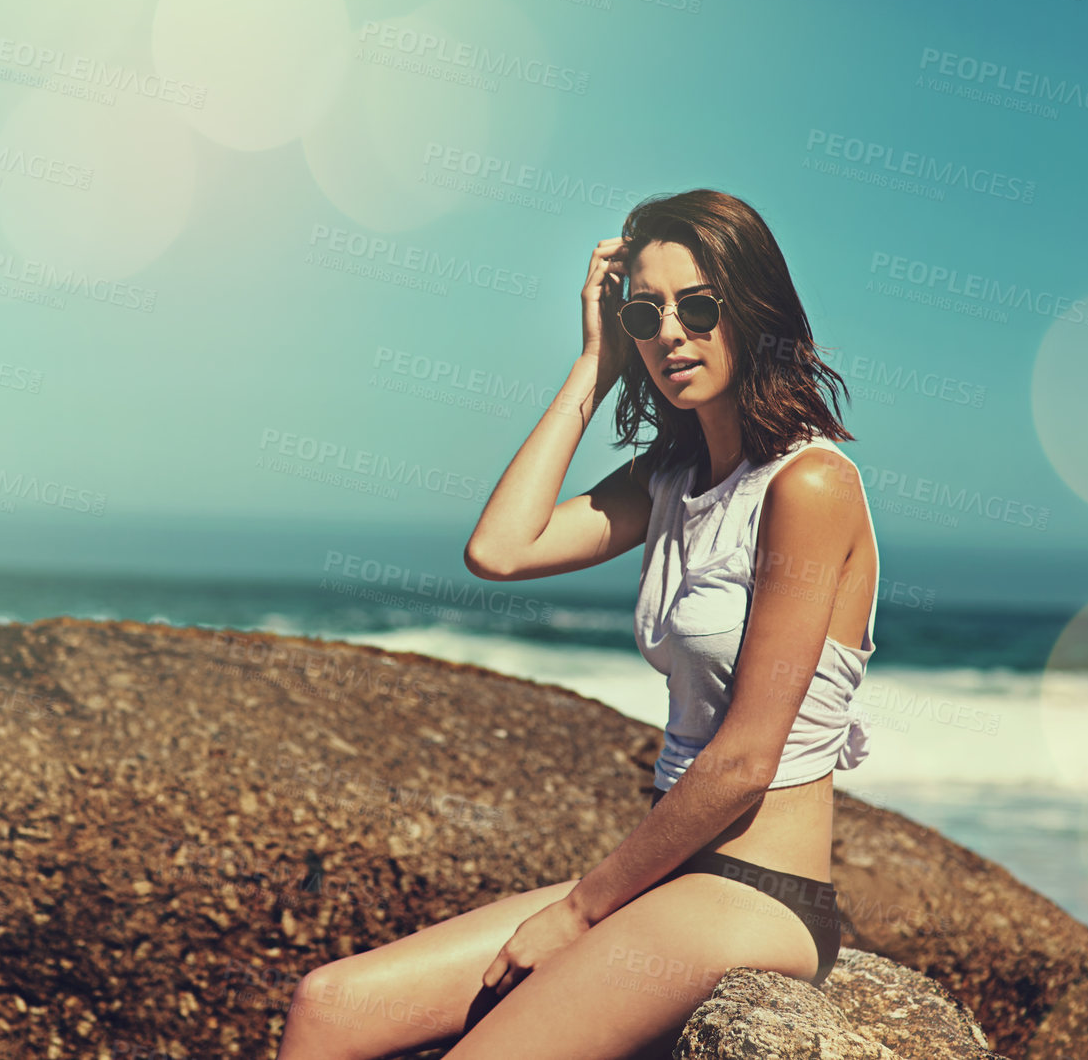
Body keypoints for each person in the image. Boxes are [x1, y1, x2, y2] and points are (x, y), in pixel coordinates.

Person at [276, 189, 880, 1059]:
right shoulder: (668, 479)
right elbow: (500, 548)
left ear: (753, 309)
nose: (671, 331)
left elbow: (748, 759)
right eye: (646, 311)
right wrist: (597, 363)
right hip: (667, 879)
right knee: (328, 1004)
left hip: (758, 889)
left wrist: (579, 909)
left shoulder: (809, 485)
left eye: (699, 305)